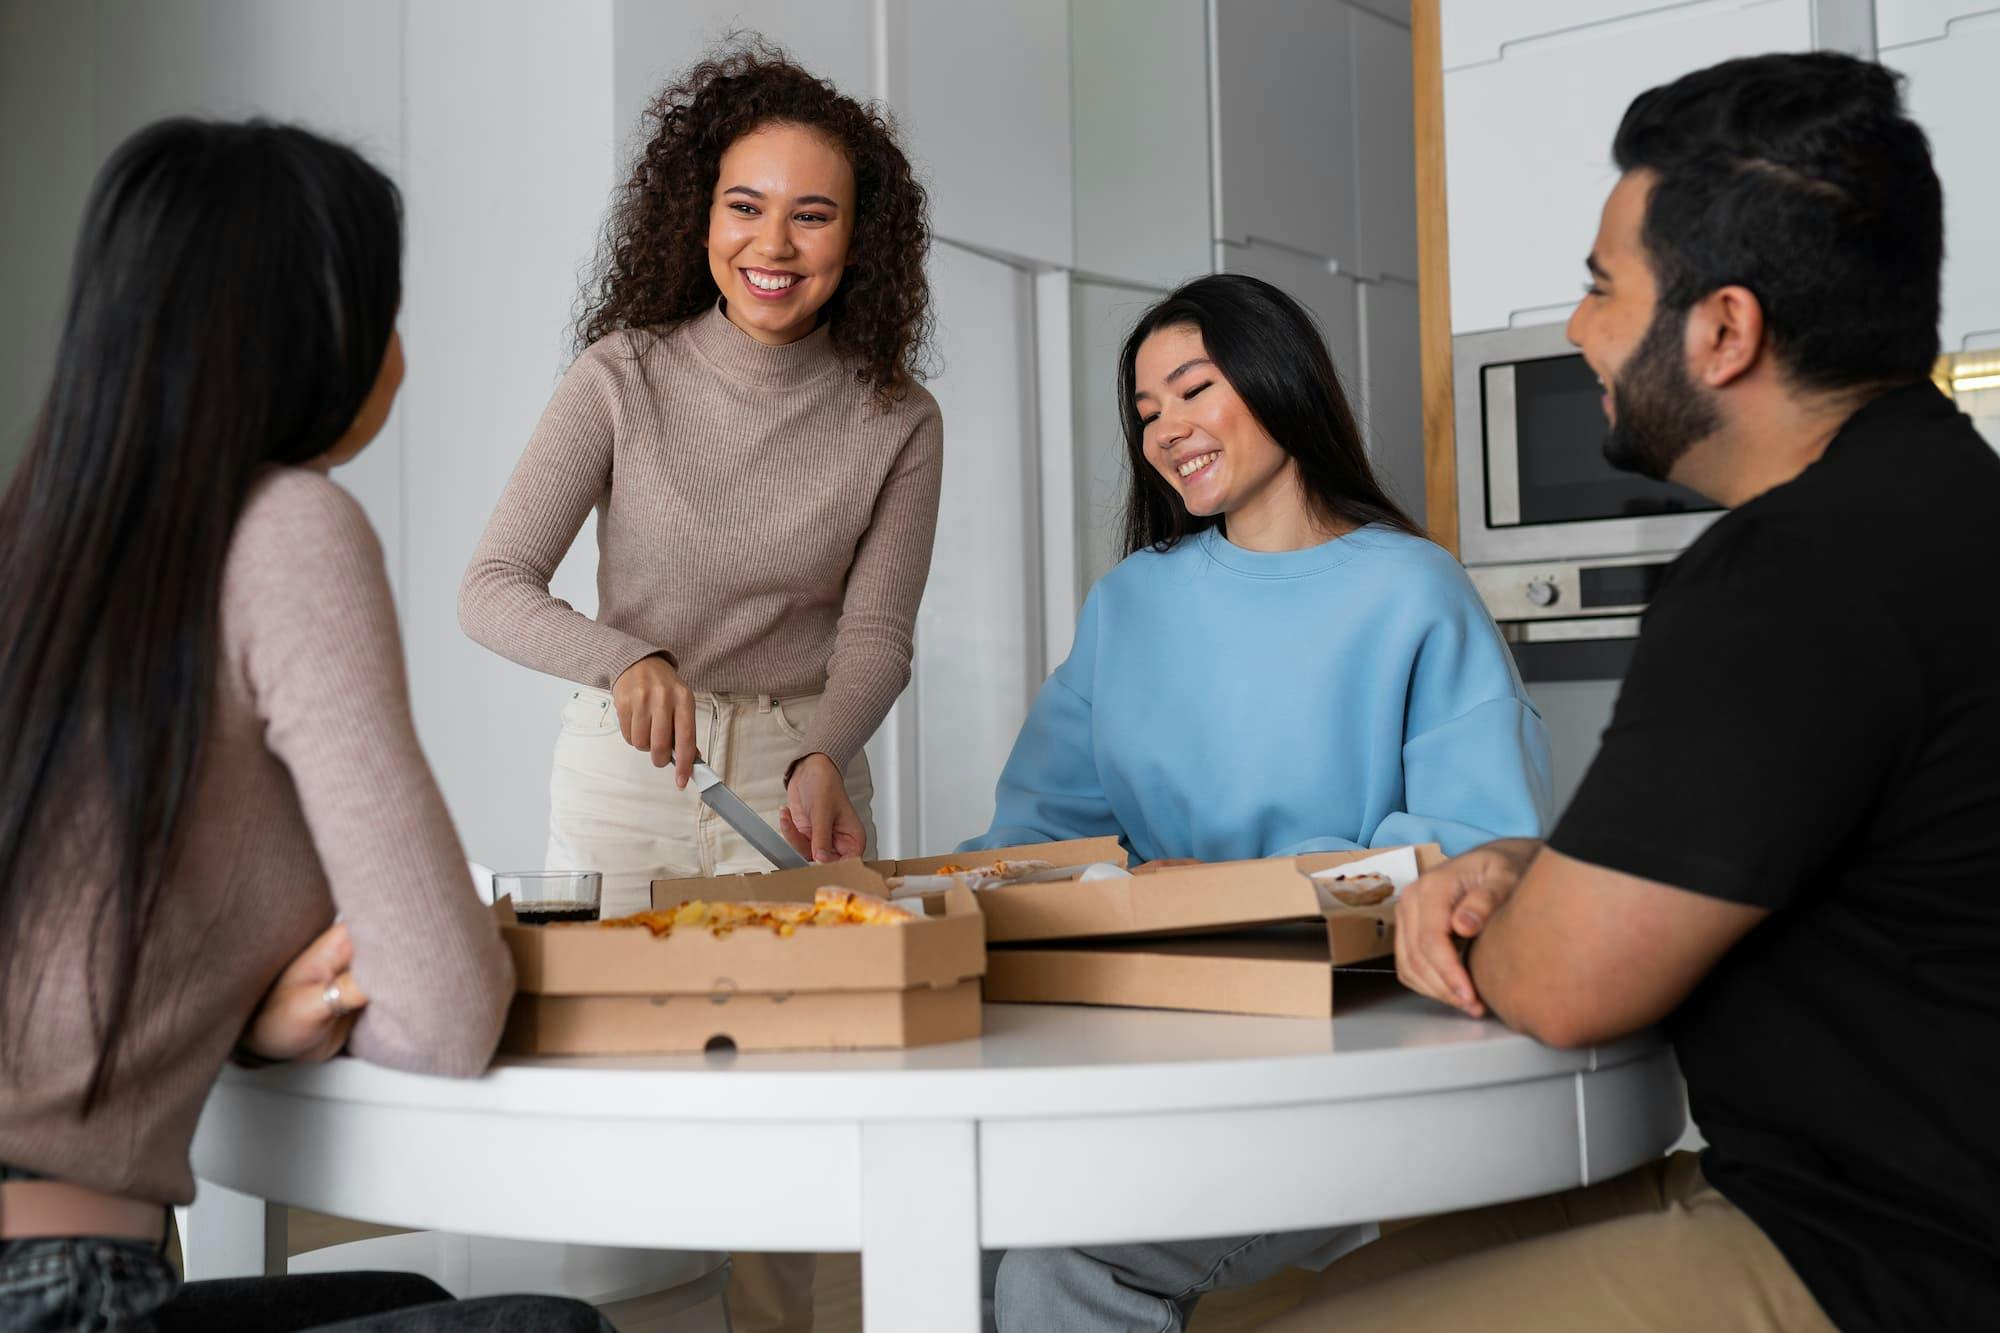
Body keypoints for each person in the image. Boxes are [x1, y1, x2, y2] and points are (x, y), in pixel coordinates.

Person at [1268, 51, 2000, 1333]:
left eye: (1603, 286)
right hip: (1852, 1194)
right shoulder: (1942, 499)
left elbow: (1564, 988)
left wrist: (1498, 903)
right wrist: (1529, 870)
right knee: (1259, 1305)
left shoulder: (1786, 575)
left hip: (1892, 1259)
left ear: (1722, 330)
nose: (1576, 327)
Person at [0, 120, 605, 1330]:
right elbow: (445, 1011)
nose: (398, 352)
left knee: (413, 1294)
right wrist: (288, 1010)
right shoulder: (287, 529)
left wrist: (250, 1022)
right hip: (60, 1287)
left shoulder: (44, 546)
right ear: (308, 330)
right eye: (384, 309)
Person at [457, 41, 939, 1333]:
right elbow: (492, 585)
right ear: (700, 215)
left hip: (800, 778)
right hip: (632, 772)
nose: (773, 243)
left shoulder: (897, 416)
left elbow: (877, 632)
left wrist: (826, 752)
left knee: (812, 1108)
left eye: (812, 213)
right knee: (620, 1109)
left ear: (859, 238)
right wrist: (625, 657)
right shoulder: (621, 376)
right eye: (745, 205)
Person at [970, 274, 1553, 1333]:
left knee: (1055, 1270)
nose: (1165, 428)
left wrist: (1238, 894)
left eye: (1194, 389)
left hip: (1345, 1057)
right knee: (951, 1223)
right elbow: (1034, 837)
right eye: (1145, 410)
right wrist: (894, 902)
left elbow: (1474, 854)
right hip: (1145, 1047)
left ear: (1278, 379)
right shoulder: (1130, 603)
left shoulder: (1412, 590)